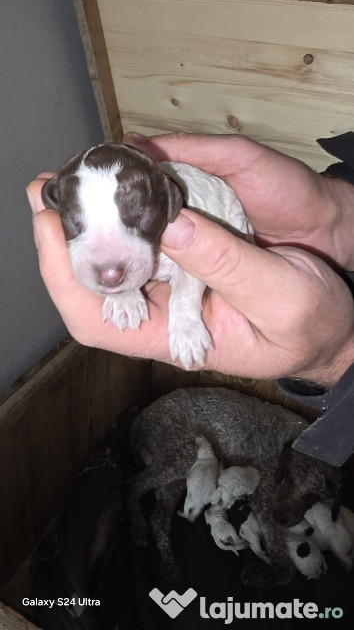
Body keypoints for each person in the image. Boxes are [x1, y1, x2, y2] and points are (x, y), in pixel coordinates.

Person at [26, 132, 354, 464]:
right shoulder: (95, 202)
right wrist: (126, 293)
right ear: (56, 200)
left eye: (139, 220)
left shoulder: (174, 204)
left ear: (167, 200)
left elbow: (190, 267)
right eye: (77, 225)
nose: (110, 269)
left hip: (232, 229)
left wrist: (185, 316)